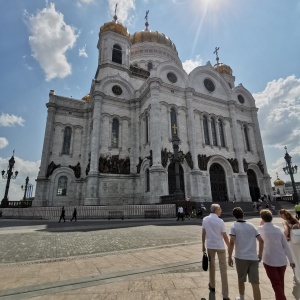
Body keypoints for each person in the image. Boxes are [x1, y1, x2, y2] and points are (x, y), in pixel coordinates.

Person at [258, 209, 295, 300]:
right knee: (280, 282)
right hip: (282, 260)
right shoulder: (278, 230)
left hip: (269, 260)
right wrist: (291, 260)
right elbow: (286, 246)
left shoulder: (260, 229)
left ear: (262, 218)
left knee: (276, 283)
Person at [228, 207, 264, 300]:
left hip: (240, 257)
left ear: (234, 216)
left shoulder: (234, 226)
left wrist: (229, 256)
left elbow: (231, 242)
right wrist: (260, 254)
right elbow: (261, 240)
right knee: (255, 282)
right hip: (253, 257)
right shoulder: (251, 225)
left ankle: (242, 297)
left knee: (241, 279)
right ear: (243, 214)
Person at [202, 203, 230, 300]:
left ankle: (212, 286)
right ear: (216, 210)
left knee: (212, 266)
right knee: (223, 269)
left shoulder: (205, 219)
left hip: (210, 246)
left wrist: (203, 245)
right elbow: (225, 236)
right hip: (220, 246)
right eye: (220, 209)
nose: (221, 210)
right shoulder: (220, 221)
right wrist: (230, 246)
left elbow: (203, 233)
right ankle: (225, 294)